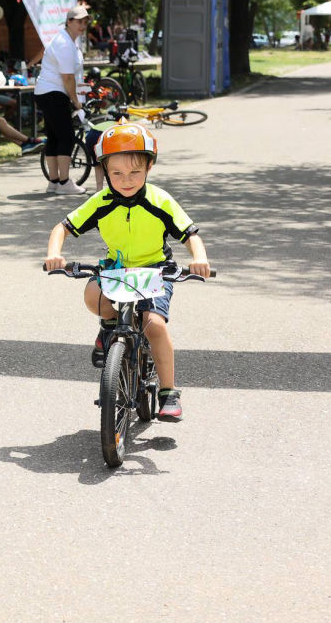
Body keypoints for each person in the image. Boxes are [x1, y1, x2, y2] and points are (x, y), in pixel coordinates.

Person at [43, 123, 210, 420]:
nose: (126, 180)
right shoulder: (101, 201)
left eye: (135, 172)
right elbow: (63, 227)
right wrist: (54, 254)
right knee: (92, 292)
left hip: (155, 270)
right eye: (117, 173)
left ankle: (168, 391)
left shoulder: (160, 200)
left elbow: (190, 234)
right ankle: (109, 325)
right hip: (117, 268)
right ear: (105, 171)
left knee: (154, 324)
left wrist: (200, 259)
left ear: (149, 167)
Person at [35, 3, 91, 194]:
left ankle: (54, 182)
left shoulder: (67, 41)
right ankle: (65, 182)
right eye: (79, 22)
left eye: (85, 22)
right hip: (54, 93)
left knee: (54, 137)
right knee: (67, 136)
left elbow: (71, 77)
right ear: (69, 22)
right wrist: (76, 102)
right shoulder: (64, 44)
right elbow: (67, 77)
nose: (82, 26)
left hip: (47, 92)